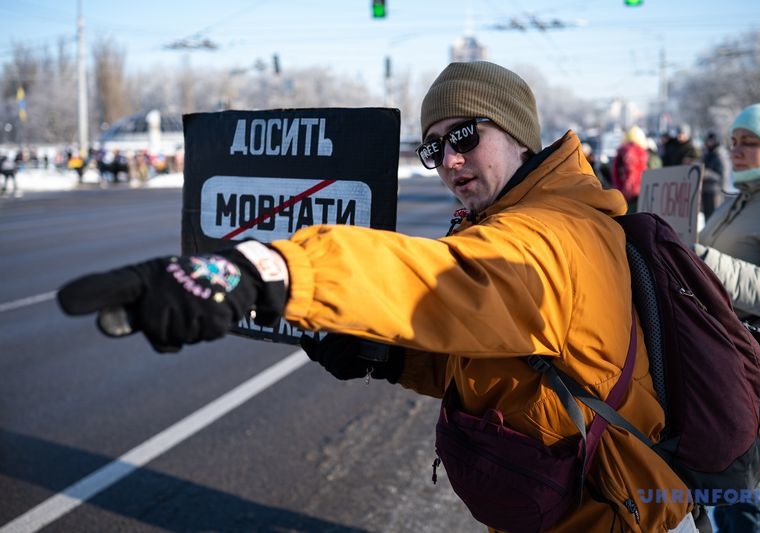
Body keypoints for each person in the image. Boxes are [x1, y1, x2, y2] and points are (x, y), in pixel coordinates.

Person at [57, 61, 697, 532]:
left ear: (520, 134)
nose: (448, 160)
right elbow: (504, 358)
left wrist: (258, 272)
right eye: (434, 146)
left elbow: (449, 281)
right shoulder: (523, 220)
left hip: (601, 516)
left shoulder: (557, 234)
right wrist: (390, 357)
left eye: (466, 135)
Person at [694, 101, 760, 533]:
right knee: (725, 494)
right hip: (726, 369)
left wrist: (705, 262)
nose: (736, 150)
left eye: (750, 142)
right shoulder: (738, 200)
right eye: (734, 141)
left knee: (748, 503)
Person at [610, 125, 650, 213]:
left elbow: (616, 172)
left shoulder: (623, 151)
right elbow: (631, 172)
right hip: (634, 195)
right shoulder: (634, 151)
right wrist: (628, 190)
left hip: (622, 193)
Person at [700, 131, 731, 220]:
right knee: (706, 215)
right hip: (705, 189)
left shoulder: (720, 155)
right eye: (708, 140)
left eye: (711, 141)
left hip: (716, 190)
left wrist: (706, 173)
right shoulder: (707, 154)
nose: (709, 143)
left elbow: (721, 175)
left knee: (714, 217)